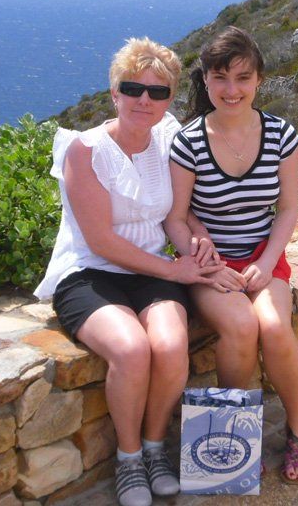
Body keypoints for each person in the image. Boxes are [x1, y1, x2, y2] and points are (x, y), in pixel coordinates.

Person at [34, 37, 223, 506]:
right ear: (114, 92)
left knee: (171, 344)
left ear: (169, 100)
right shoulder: (85, 151)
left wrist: (199, 246)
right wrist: (174, 272)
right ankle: (129, 457)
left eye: (158, 92)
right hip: (90, 273)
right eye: (133, 88)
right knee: (132, 349)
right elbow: (100, 241)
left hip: (153, 270)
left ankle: (156, 447)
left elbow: (178, 212)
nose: (145, 99)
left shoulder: (169, 138)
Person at [165, 26, 298, 484]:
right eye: (220, 78)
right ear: (205, 81)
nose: (232, 90)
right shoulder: (189, 142)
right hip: (209, 265)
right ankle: (234, 436)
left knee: (272, 325)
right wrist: (204, 261)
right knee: (241, 324)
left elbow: (288, 209)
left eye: (242, 78)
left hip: (264, 255)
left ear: (259, 80)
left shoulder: (281, 135)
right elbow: (175, 217)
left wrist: (267, 263)